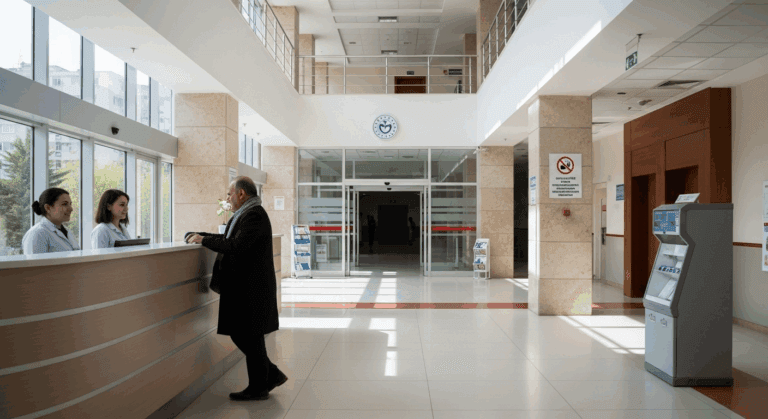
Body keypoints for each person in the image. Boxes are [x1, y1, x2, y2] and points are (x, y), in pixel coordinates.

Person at [185, 177, 286, 401]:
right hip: (246, 287)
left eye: (230, 194)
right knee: (248, 336)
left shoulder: (254, 215)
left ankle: (263, 383)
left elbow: (236, 246)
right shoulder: (247, 213)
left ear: (241, 194)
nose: (228, 198)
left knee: (247, 335)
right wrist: (202, 236)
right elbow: (228, 238)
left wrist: (203, 240)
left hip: (250, 288)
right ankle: (267, 378)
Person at [22, 187, 80, 255]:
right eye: (65, 204)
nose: (71, 209)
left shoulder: (67, 232)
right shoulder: (37, 234)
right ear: (48, 208)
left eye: (70, 204)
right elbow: (34, 264)